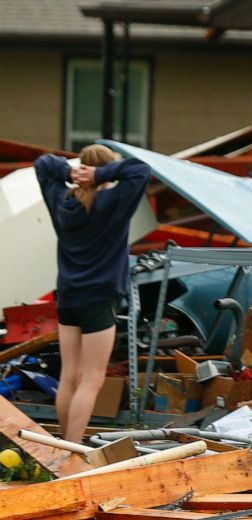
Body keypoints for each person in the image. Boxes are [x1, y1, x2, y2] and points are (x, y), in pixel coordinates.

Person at [35, 145, 150, 443]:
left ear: (81, 168)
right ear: (103, 172)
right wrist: (101, 174)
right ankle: (72, 448)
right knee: (92, 379)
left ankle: (62, 445)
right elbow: (140, 169)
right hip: (99, 301)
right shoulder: (115, 200)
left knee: (69, 376)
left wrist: (68, 173)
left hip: (68, 298)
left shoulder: (62, 200)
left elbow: (44, 165)